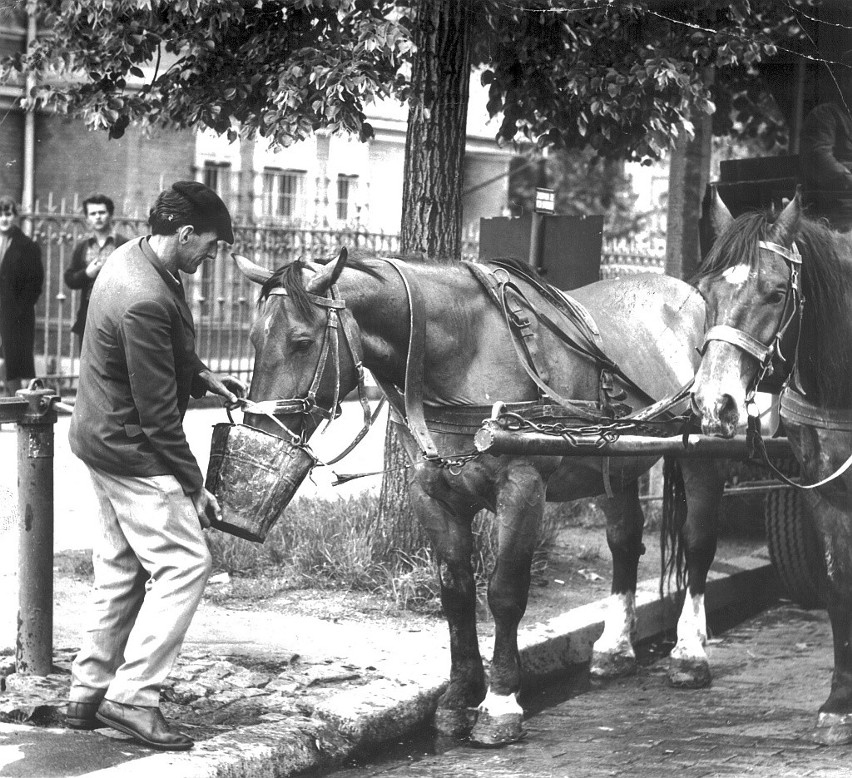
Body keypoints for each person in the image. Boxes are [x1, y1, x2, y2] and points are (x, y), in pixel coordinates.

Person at [65, 181, 246, 750]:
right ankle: (133, 698)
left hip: (98, 436)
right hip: (130, 447)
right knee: (187, 564)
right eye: (210, 247)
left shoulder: (131, 257)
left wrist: (200, 373)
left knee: (121, 567)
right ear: (186, 234)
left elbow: (153, 347)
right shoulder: (145, 294)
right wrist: (192, 489)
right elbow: (158, 417)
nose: (211, 258)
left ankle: (88, 692)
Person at [64, 194, 128, 351]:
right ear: (87, 219)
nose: (98, 217)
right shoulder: (82, 247)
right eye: (93, 214)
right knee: (87, 363)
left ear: (110, 215)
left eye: (102, 212)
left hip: (115, 313)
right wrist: (87, 273)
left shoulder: (124, 245)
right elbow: (70, 279)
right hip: (88, 313)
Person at [800, 50, 852, 232]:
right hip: (837, 205)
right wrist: (848, 178)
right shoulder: (825, 115)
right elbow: (819, 158)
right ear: (845, 82)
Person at [0, 197, 44, 397]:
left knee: (13, 363)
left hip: (15, 314)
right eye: (0, 214)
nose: (4, 219)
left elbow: (34, 284)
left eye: (8, 214)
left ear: (15, 216)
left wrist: (19, 310)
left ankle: (16, 406)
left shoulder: (27, 246)